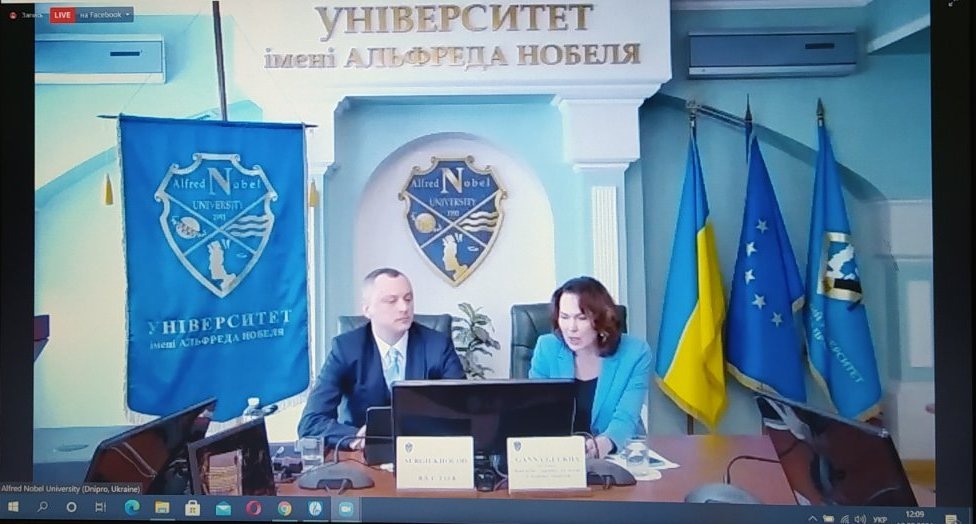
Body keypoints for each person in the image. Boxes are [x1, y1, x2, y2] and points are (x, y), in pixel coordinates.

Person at [297, 268, 465, 450]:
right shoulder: (346, 349)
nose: (404, 308)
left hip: (425, 452)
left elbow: (463, 411)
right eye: (391, 301)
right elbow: (311, 422)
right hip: (363, 456)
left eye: (408, 299)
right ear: (367, 309)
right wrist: (355, 437)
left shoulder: (438, 346)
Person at [528, 276, 652, 459]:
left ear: (602, 319)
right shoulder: (547, 348)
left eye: (582, 318)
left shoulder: (635, 353)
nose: (571, 328)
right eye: (564, 317)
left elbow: (627, 416)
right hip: (559, 458)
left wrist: (604, 444)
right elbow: (537, 412)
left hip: (618, 455)